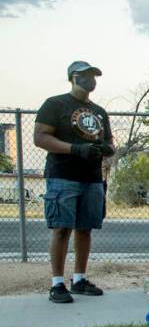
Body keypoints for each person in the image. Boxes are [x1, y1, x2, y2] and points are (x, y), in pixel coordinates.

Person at [33, 60, 115, 303]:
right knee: (61, 228)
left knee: (85, 228)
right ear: (73, 77)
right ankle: (57, 283)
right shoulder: (55, 104)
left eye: (94, 76)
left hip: (92, 177)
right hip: (63, 175)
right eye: (86, 75)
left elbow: (110, 143)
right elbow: (40, 137)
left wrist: (105, 149)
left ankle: (79, 278)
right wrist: (75, 149)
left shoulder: (99, 111)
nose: (91, 79)